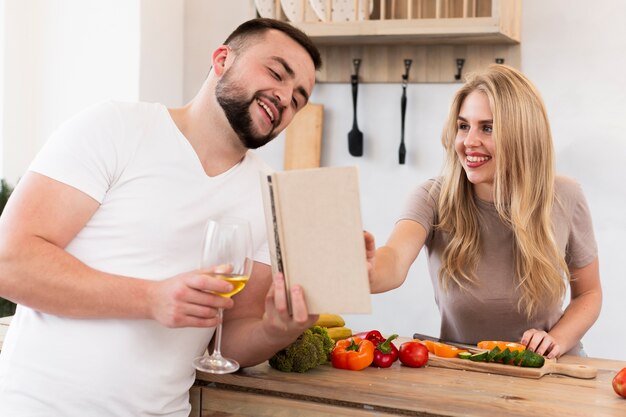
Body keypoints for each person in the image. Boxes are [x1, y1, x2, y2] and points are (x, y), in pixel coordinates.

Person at [0, 18, 321, 416]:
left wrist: (276, 330)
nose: (285, 98)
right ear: (222, 59)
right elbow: (9, 262)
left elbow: (228, 338)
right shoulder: (115, 127)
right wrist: (150, 299)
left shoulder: (271, 193)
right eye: (276, 73)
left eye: (298, 99)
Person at [365, 64, 602, 359]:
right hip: (467, 370)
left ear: (523, 135)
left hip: (547, 369)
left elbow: (589, 294)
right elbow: (394, 260)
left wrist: (556, 340)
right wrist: (369, 269)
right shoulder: (431, 198)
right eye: (464, 126)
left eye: (487, 128)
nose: (468, 142)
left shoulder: (565, 195)